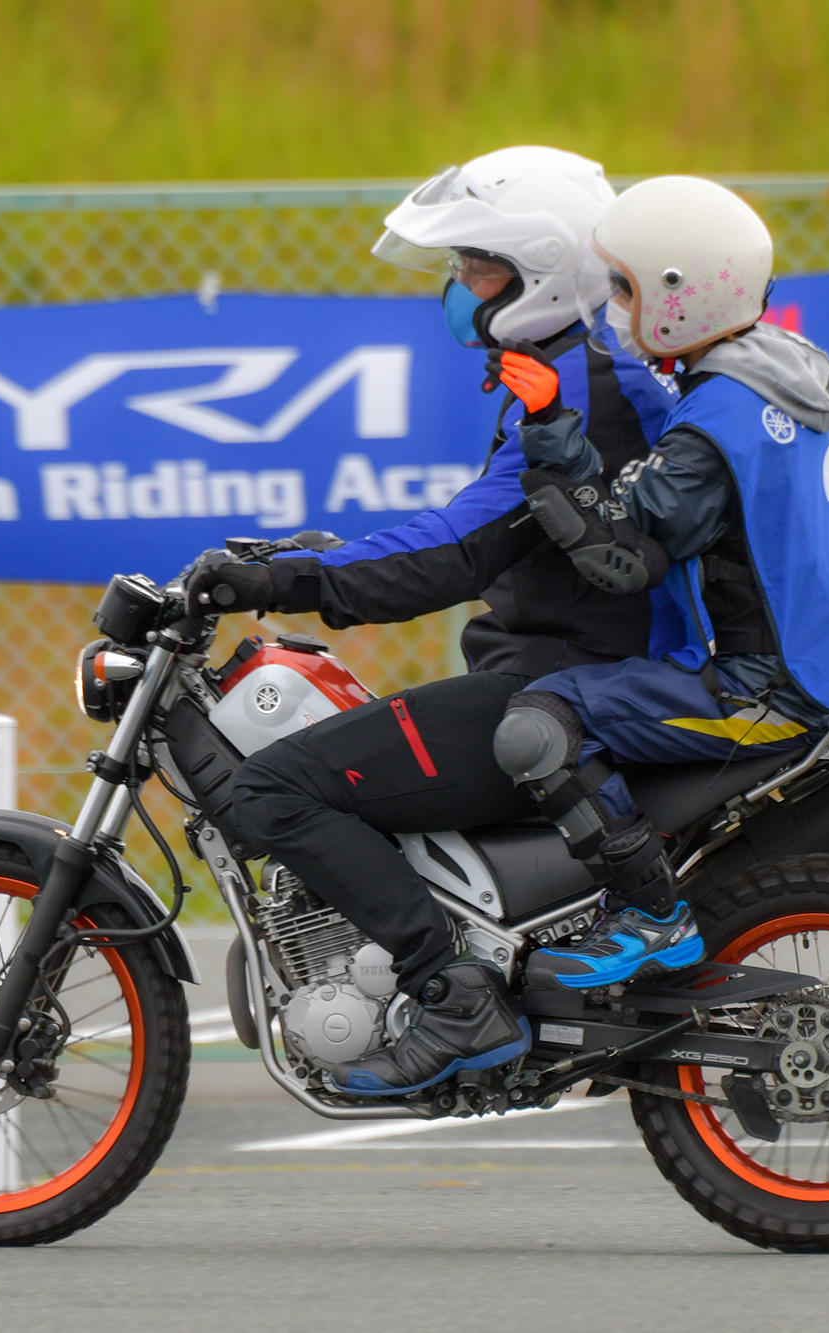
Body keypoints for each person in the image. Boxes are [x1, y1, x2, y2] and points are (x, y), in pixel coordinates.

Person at [182, 146, 676, 1096]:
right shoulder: (575, 370)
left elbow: (455, 551)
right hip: (573, 669)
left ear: (541, 272)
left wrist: (282, 581)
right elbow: (477, 527)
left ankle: (452, 995)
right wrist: (300, 564)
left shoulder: (584, 387)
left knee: (274, 790)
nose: (458, 289)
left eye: (476, 268)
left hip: (558, 683)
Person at [488, 174, 829, 990]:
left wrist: (550, 438)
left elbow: (620, 558)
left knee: (537, 725)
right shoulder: (785, 371)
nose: (613, 305)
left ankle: (648, 916)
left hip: (768, 692)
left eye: (625, 287)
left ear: (680, 296)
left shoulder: (713, 426)